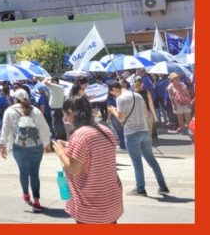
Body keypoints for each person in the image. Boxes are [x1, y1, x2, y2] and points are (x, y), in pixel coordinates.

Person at [52, 96, 123, 224]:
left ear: (70, 112)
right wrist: (68, 145)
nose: (65, 119)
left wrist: (60, 152)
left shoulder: (80, 135)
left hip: (91, 209)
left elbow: (74, 169)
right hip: (111, 203)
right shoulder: (104, 130)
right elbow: (94, 151)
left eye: (65, 115)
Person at [108, 81, 170, 196]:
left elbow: (121, 118)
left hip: (132, 132)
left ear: (115, 89)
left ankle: (140, 188)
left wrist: (113, 111)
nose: (113, 95)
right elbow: (145, 114)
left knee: (137, 162)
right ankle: (163, 186)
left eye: (112, 93)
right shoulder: (138, 96)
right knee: (151, 159)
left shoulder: (120, 99)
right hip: (144, 130)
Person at [0, 89, 52, 213]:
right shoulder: (36, 111)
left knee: (23, 171)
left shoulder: (9, 111)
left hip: (19, 147)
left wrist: (3, 145)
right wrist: (46, 144)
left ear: (15, 98)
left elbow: (5, 129)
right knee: (34, 173)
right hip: (36, 146)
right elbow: (45, 129)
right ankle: (37, 201)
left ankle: (26, 195)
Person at [44, 76, 67, 140]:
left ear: (55, 82)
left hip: (56, 109)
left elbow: (45, 82)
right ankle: (62, 138)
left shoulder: (56, 87)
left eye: (52, 81)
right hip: (57, 109)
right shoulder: (56, 88)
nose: (50, 82)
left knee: (56, 125)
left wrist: (47, 78)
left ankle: (59, 138)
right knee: (59, 124)